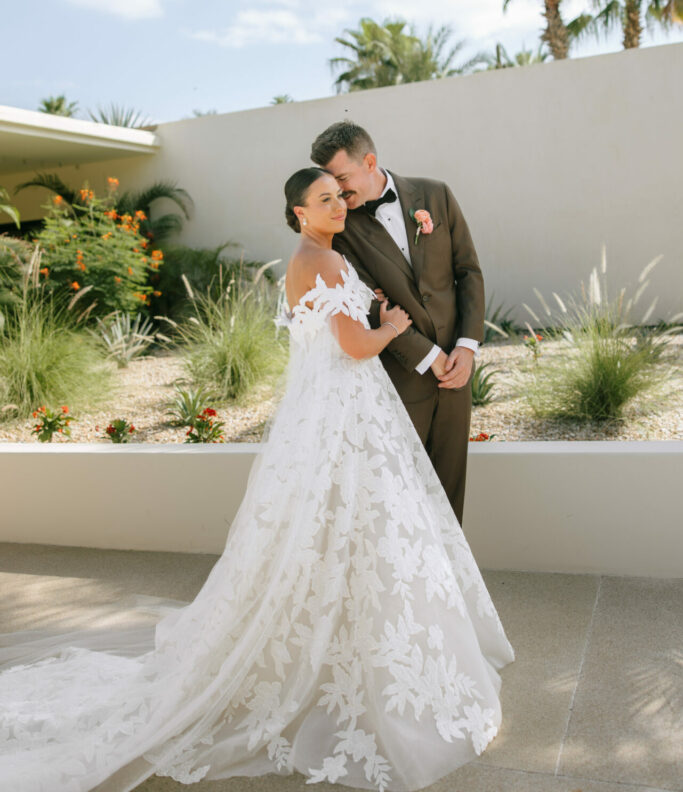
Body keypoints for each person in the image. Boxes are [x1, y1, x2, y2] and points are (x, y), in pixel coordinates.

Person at [0, 167, 513, 792]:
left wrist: (369, 313)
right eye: (323, 200)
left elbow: (333, 330)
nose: (336, 205)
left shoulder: (321, 255)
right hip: (345, 413)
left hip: (338, 412)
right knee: (353, 523)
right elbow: (352, 346)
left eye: (338, 197)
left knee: (340, 529)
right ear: (299, 212)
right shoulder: (317, 259)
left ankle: (341, 648)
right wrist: (392, 329)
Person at [311, 121, 484, 524]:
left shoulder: (435, 194)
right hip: (401, 377)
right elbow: (369, 306)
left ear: (369, 162)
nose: (338, 193)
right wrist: (429, 357)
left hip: (457, 373)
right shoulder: (339, 230)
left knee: (451, 489)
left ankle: (452, 586)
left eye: (342, 179)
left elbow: (468, 272)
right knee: (404, 499)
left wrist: (466, 347)